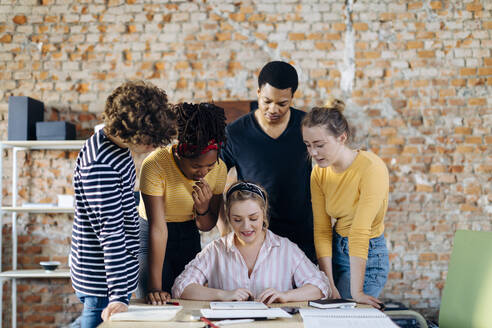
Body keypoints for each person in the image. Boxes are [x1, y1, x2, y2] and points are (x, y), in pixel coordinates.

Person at [70, 80, 176, 327]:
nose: (154, 146)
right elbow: (111, 232)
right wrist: (118, 294)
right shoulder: (102, 166)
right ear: (133, 130)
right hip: (103, 282)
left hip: (108, 274)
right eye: (151, 140)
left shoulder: (112, 145)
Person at [172, 181, 330, 303]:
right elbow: (181, 286)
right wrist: (222, 295)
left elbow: (321, 287)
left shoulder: (285, 248)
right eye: (237, 219)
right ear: (228, 216)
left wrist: (286, 296)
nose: (246, 226)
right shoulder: (216, 250)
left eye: (253, 218)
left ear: (264, 214)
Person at [220, 61, 316, 263]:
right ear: (258, 92)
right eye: (267, 101)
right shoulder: (235, 133)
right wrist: (224, 233)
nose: (273, 109)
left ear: (292, 98)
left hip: (303, 237)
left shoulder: (308, 127)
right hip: (255, 238)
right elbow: (213, 184)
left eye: (282, 104)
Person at [301, 100, 390, 308]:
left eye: (320, 145)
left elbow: (360, 231)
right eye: (308, 145)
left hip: (367, 256)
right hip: (336, 250)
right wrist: (328, 283)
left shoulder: (371, 168)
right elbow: (322, 230)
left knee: (345, 319)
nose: (313, 153)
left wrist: (357, 292)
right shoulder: (319, 173)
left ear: (342, 138)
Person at [137, 102, 227, 305]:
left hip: (187, 234)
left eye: (209, 166)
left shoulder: (220, 169)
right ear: (179, 153)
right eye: (196, 166)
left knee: (187, 302)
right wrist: (154, 288)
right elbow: (158, 229)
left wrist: (203, 209)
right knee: (154, 303)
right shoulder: (156, 164)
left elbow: (206, 226)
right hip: (151, 234)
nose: (203, 172)